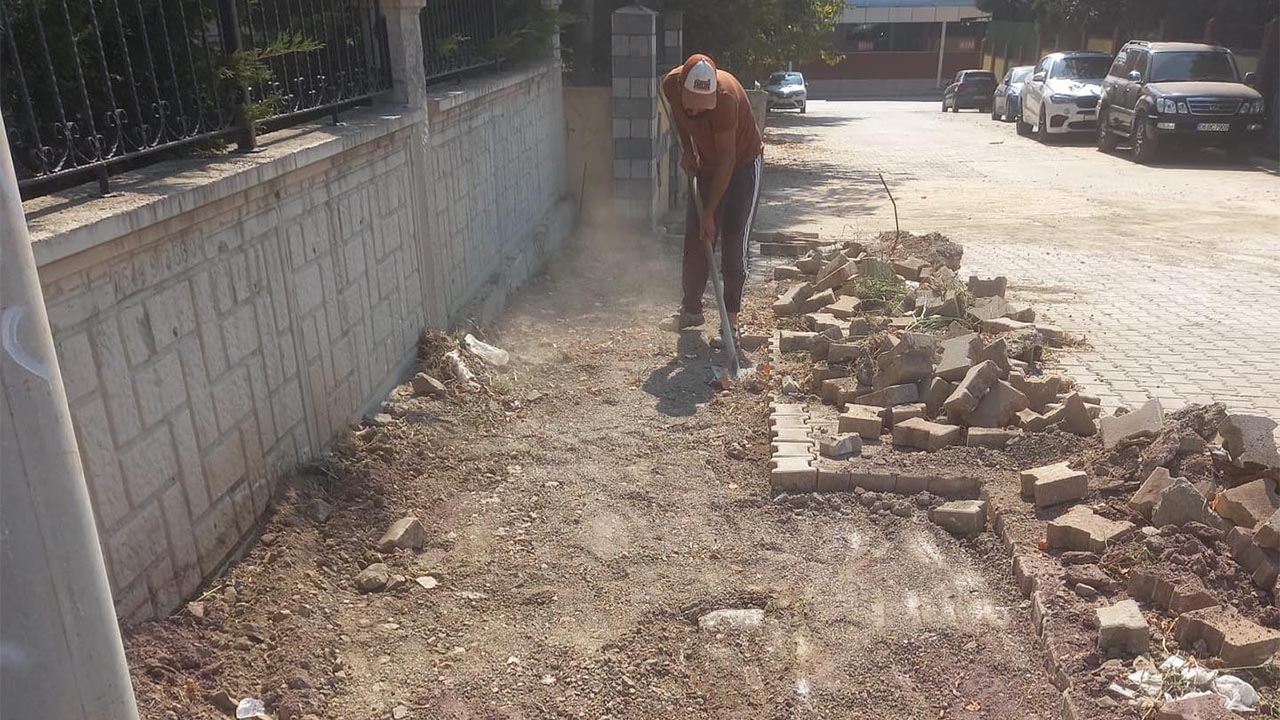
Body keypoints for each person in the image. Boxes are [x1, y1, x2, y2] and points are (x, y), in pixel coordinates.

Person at [660, 54, 764, 349]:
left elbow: (727, 159)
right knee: (696, 244)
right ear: (681, 87)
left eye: (701, 105)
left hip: (743, 166)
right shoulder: (670, 85)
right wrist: (688, 151)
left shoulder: (726, 97)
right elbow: (683, 119)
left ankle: (730, 323)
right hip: (707, 166)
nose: (695, 109)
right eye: (690, 101)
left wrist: (710, 213)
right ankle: (691, 312)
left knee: (733, 246)